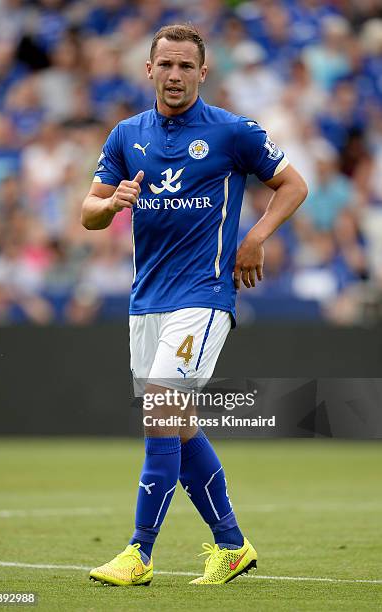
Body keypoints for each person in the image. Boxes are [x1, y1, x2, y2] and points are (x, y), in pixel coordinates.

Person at [81, 23, 307, 586]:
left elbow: (294, 184)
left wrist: (254, 238)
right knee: (176, 423)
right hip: (146, 300)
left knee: (161, 407)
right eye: (167, 65)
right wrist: (112, 205)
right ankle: (231, 545)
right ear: (149, 70)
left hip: (203, 296)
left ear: (203, 72)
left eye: (187, 66)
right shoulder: (125, 135)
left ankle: (139, 552)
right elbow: (88, 209)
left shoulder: (233, 131)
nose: (176, 75)